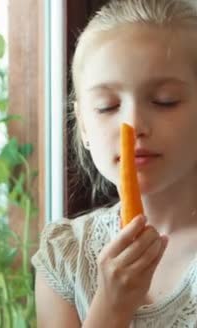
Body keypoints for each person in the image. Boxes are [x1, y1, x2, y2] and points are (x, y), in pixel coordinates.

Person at [31, 0, 197, 326]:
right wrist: (110, 308)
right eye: (107, 106)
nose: (133, 124)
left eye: (165, 101)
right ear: (83, 126)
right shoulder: (65, 255)